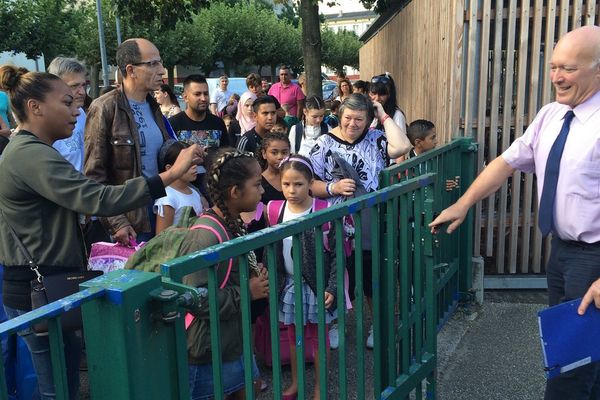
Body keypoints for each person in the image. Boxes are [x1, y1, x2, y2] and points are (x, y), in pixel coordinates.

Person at [0, 64, 201, 400]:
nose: (77, 109)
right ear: (35, 108)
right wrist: (168, 176)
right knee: (58, 389)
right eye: (66, 102)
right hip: (37, 290)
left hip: (46, 284)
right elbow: (97, 197)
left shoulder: (30, 151)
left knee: (62, 382)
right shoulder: (29, 155)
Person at [429, 26, 600, 400]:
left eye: (569, 68)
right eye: (554, 66)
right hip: (561, 253)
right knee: (584, 357)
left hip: (594, 260)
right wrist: (463, 202)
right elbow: (506, 162)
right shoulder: (551, 115)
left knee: (569, 367)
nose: (556, 76)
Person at [309, 93, 411, 349]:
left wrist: (382, 113)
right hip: (336, 223)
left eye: (359, 119)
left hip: (369, 220)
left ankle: (377, 324)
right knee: (338, 275)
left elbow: (402, 147)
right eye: (348, 117)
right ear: (339, 116)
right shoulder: (324, 142)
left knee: (370, 275)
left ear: (368, 120)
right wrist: (333, 187)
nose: (352, 124)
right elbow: (310, 183)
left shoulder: (376, 139)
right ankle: (336, 323)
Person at [180, 148, 269, 400]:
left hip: (232, 340)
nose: (262, 191)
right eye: (257, 185)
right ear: (235, 192)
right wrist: (247, 291)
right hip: (208, 349)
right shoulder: (205, 236)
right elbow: (195, 298)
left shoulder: (234, 221)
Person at [85, 38, 171, 244]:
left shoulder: (154, 106)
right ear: (131, 70)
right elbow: (93, 177)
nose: (162, 70)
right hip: (131, 220)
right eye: (153, 64)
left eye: (160, 62)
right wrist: (117, 222)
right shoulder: (104, 108)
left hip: (163, 209)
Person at [266, 155, 337, 400]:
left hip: (317, 286)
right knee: (293, 336)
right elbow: (270, 249)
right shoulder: (274, 209)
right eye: (286, 184)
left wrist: (333, 287)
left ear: (310, 183)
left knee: (319, 338)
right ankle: (296, 383)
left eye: (298, 184)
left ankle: (320, 387)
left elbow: (338, 253)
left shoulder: (325, 210)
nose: (292, 190)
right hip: (288, 285)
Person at [154, 141, 206, 234]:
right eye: (188, 164)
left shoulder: (194, 193)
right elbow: (160, 238)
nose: (194, 167)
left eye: (195, 163)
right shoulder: (167, 199)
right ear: (169, 168)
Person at [47, 57, 88, 172]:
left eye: (83, 85)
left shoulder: (81, 113)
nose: (82, 92)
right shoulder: (46, 123)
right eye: (74, 86)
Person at [168, 75, 231, 149]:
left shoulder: (218, 123)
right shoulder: (173, 124)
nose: (203, 98)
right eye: (197, 94)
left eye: (206, 94)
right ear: (185, 97)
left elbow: (226, 153)